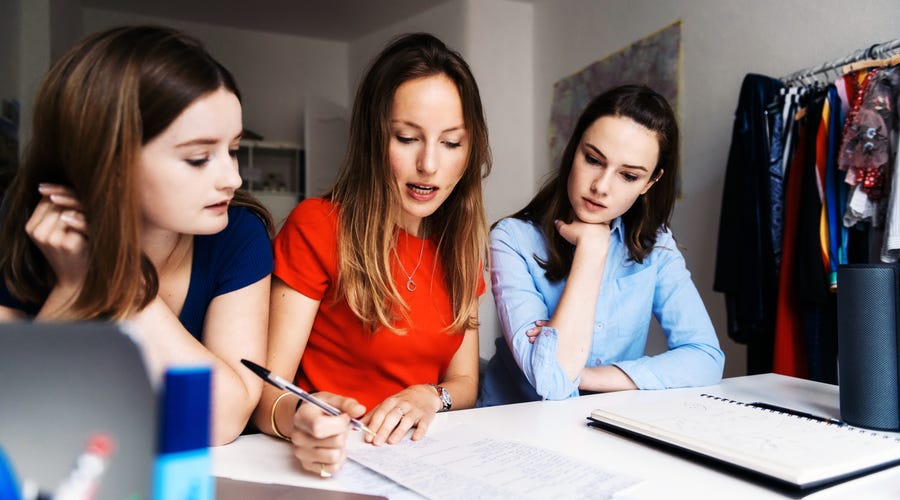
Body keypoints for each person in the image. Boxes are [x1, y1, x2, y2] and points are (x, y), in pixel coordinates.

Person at [0, 26, 274, 445]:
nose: (232, 178)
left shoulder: (238, 234)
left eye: (233, 150)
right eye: (199, 158)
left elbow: (223, 420)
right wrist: (74, 289)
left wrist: (122, 283)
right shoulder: (20, 231)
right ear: (106, 160)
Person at [253, 32, 490, 477]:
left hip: (424, 465)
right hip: (333, 463)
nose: (429, 165)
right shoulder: (318, 225)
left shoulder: (460, 248)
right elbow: (268, 394)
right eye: (406, 138)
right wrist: (300, 420)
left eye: (452, 143)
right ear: (372, 140)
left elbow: (465, 384)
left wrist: (429, 396)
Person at [478, 85, 724, 407]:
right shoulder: (512, 239)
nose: (601, 187)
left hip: (598, 420)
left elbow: (705, 357)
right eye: (593, 159)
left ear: (650, 183)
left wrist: (589, 377)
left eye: (629, 176)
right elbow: (551, 381)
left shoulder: (656, 247)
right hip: (509, 424)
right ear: (573, 148)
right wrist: (592, 251)